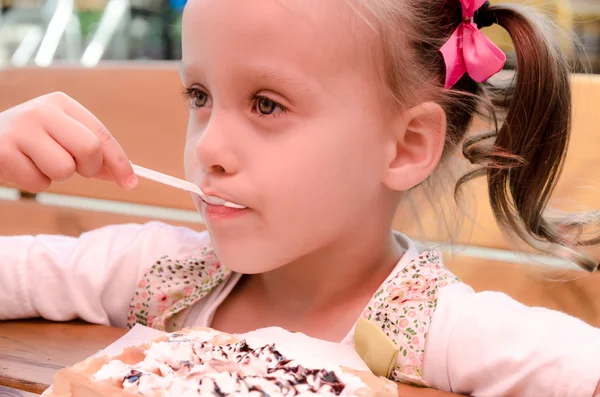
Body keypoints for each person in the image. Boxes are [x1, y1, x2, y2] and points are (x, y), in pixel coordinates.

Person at [0, 0, 599, 395]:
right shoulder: (155, 272)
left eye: (266, 104)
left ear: (406, 146)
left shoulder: (431, 331)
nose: (210, 148)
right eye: (199, 96)